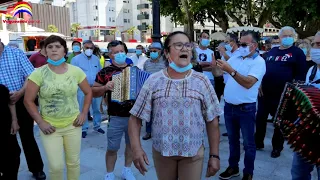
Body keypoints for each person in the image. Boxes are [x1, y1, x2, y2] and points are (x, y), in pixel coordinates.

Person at [128, 31, 222, 180]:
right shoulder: (154, 80)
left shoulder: (202, 81)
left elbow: (212, 120)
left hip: (193, 152)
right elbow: (135, 118)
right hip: (162, 152)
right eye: (178, 45)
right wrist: (136, 148)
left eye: (187, 45)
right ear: (166, 53)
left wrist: (214, 155)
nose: (184, 49)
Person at [24, 35, 92, 180]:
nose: (54, 49)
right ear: (45, 51)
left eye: (58, 46)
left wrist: (83, 113)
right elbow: (28, 101)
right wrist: (41, 122)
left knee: (73, 163)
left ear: (64, 51)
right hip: (50, 127)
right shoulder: (38, 73)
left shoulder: (75, 71)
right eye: (50, 47)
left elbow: (88, 92)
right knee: (55, 166)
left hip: (73, 125)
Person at [216, 32, 266, 180]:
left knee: (249, 143)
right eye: (240, 43)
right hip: (229, 107)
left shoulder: (259, 62)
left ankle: (248, 172)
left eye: (244, 45)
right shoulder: (236, 57)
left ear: (254, 46)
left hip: (246, 109)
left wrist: (230, 70)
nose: (241, 47)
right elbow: (221, 73)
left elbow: (248, 83)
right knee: (232, 140)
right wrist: (216, 66)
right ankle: (233, 167)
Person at [255, 26, 307, 158]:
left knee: (279, 121)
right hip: (265, 92)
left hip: (284, 94)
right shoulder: (272, 52)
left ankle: (277, 147)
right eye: (285, 35)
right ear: (279, 37)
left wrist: (293, 92)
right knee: (260, 117)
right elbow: (262, 69)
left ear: (293, 37)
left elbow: (301, 75)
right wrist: (259, 82)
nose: (287, 38)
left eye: (290, 35)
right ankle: (258, 142)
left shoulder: (297, 53)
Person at [0, 41, 46, 180]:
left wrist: (20, 93)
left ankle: (36, 168)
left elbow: (30, 76)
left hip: (21, 99)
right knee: (6, 139)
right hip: (1, 104)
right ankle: (7, 170)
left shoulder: (16, 53)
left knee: (27, 136)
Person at [92, 40, 135, 180]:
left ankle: (127, 170)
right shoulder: (104, 72)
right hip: (115, 116)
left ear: (126, 52)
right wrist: (105, 88)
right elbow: (93, 92)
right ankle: (109, 173)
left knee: (132, 145)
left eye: (121, 51)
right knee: (112, 148)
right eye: (115, 52)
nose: (119, 54)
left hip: (134, 117)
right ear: (110, 55)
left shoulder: (134, 70)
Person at [290, 31, 320, 180]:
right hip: (307, 132)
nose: (315, 48)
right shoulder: (312, 70)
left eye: (319, 44)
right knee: (298, 172)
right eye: (315, 44)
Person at [71, 40, 105, 138]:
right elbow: (73, 75)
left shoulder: (96, 59)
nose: (89, 50)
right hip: (81, 88)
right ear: (83, 48)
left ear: (93, 49)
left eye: (91, 48)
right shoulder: (76, 59)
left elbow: (99, 72)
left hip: (95, 88)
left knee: (97, 108)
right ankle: (83, 128)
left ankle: (97, 126)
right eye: (87, 48)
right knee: (82, 108)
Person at [141, 42, 167, 140]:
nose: (153, 53)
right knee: (149, 112)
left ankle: (161, 131)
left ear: (160, 51)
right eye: (151, 51)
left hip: (163, 91)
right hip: (150, 91)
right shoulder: (147, 63)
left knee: (162, 112)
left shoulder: (165, 62)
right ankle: (148, 131)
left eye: (155, 51)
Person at [0, 84, 20, 180]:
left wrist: (14, 120)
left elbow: (11, 102)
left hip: (6, 129)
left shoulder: (2, 88)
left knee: (13, 154)